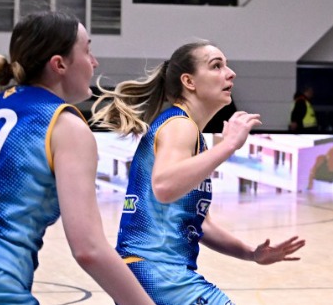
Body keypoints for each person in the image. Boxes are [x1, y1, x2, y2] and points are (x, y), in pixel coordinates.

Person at [0, 11, 154, 304]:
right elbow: (89, 249)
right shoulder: (64, 126)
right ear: (59, 64)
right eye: (88, 51)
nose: (94, 62)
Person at [91, 41, 304, 303]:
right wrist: (228, 145)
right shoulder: (180, 125)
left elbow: (201, 225)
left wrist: (251, 253)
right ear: (189, 81)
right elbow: (164, 186)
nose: (230, 73)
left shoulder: (189, 132)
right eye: (216, 66)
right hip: (159, 272)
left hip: (151, 271)